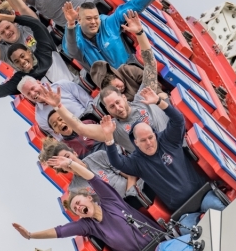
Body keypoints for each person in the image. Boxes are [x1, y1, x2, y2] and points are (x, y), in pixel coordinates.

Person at [36, 16, 164, 153]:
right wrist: (58, 106)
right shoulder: (115, 130)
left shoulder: (142, 99)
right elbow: (80, 128)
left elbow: (150, 64)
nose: (118, 107)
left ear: (124, 98)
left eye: (117, 102)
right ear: (108, 112)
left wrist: (140, 33)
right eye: (112, 106)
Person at [11, 161, 162, 251]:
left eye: (77, 202)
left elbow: (92, 178)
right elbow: (59, 231)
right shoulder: (88, 226)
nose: (77, 207)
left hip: (158, 245)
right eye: (75, 209)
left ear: (89, 198)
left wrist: (70, 163)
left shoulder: (110, 201)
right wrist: (30, 235)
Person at [102, 96, 228, 216]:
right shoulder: (136, 162)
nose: (149, 143)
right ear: (136, 142)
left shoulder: (167, 140)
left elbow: (178, 120)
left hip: (203, 194)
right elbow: (117, 162)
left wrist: (159, 102)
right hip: (182, 211)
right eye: (143, 140)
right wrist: (108, 137)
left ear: (155, 134)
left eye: (150, 137)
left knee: (217, 207)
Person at [62, 0, 166, 70]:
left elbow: (133, 6)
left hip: (129, 71)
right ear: (79, 20)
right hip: (108, 82)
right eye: (89, 19)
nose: (93, 22)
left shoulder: (107, 23)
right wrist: (71, 23)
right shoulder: (76, 39)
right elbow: (71, 49)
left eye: (96, 18)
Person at [38, 139, 147, 207]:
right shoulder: (74, 190)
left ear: (74, 153)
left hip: (136, 192)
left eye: (67, 157)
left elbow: (130, 174)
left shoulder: (99, 156)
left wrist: (129, 197)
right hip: (122, 211)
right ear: (62, 169)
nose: (67, 162)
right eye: (63, 163)